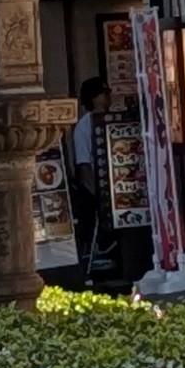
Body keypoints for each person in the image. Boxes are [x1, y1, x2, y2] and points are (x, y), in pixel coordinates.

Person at [67, 79, 110, 282]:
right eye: (104, 94)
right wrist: (96, 193)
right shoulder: (84, 127)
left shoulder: (107, 120)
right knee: (94, 229)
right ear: (94, 98)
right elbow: (84, 165)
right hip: (94, 188)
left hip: (108, 184)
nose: (108, 98)